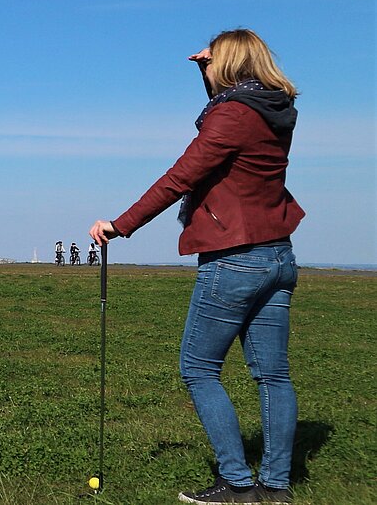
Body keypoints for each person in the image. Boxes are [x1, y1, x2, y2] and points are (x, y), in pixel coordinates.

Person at [90, 29, 302, 505]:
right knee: (272, 374)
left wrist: (119, 226)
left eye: (210, 64)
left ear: (225, 65)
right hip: (278, 254)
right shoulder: (274, 108)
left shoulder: (231, 116)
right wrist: (206, 71)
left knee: (199, 367)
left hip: (235, 257)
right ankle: (276, 486)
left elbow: (180, 176)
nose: (206, 71)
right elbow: (225, 106)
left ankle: (236, 483)